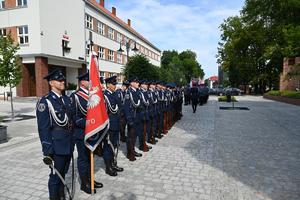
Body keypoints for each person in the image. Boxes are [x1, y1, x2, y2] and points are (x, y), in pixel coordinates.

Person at [36, 68, 74, 200]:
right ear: (51, 83)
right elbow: (43, 129)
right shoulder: (45, 102)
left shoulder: (67, 100)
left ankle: (61, 195)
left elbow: (71, 121)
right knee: (55, 176)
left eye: (63, 79)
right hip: (56, 145)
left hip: (68, 143)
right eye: (59, 80)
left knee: (63, 172)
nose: (63, 82)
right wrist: (47, 151)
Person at [70, 72, 102, 195]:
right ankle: (84, 183)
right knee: (83, 157)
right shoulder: (76, 96)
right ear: (82, 82)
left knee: (90, 156)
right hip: (82, 130)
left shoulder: (92, 95)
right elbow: (72, 114)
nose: (91, 83)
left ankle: (90, 179)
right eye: (89, 81)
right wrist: (84, 122)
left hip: (92, 130)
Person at [103, 76, 124, 176]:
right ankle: (108, 167)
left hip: (116, 123)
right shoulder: (104, 96)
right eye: (113, 84)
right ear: (108, 84)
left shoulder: (115, 94)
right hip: (109, 126)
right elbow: (103, 114)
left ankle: (113, 163)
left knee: (114, 145)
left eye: (115, 84)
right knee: (108, 146)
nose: (115, 85)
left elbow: (119, 107)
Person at [124, 76, 143, 161]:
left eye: (138, 82)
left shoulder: (137, 92)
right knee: (130, 135)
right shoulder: (129, 93)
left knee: (135, 135)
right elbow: (126, 107)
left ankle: (133, 149)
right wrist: (129, 119)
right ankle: (129, 152)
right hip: (132, 117)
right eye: (136, 82)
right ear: (131, 83)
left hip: (137, 116)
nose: (138, 83)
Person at [138, 79, 152, 151]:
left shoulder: (144, 93)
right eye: (145, 84)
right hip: (141, 115)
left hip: (146, 114)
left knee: (144, 130)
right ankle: (141, 145)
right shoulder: (140, 93)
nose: (147, 85)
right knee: (141, 131)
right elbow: (140, 106)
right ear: (142, 85)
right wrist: (143, 115)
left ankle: (143, 143)